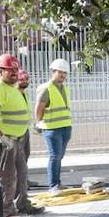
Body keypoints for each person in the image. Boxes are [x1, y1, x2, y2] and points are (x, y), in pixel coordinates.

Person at [0, 54, 42, 217]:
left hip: (15, 139)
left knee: (21, 174)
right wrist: (0, 136)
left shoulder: (12, 88)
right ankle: (6, 211)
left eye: (15, 69)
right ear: (0, 71)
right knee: (6, 178)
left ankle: (22, 204)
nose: (14, 72)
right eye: (9, 70)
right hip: (3, 141)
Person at [35, 59, 73, 192]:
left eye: (65, 72)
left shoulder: (64, 88)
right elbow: (39, 109)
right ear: (53, 71)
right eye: (60, 72)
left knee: (59, 157)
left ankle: (57, 183)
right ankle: (53, 185)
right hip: (52, 128)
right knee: (55, 156)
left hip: (65, 127)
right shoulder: (46, 88)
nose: (63, 75)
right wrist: (39, 123)